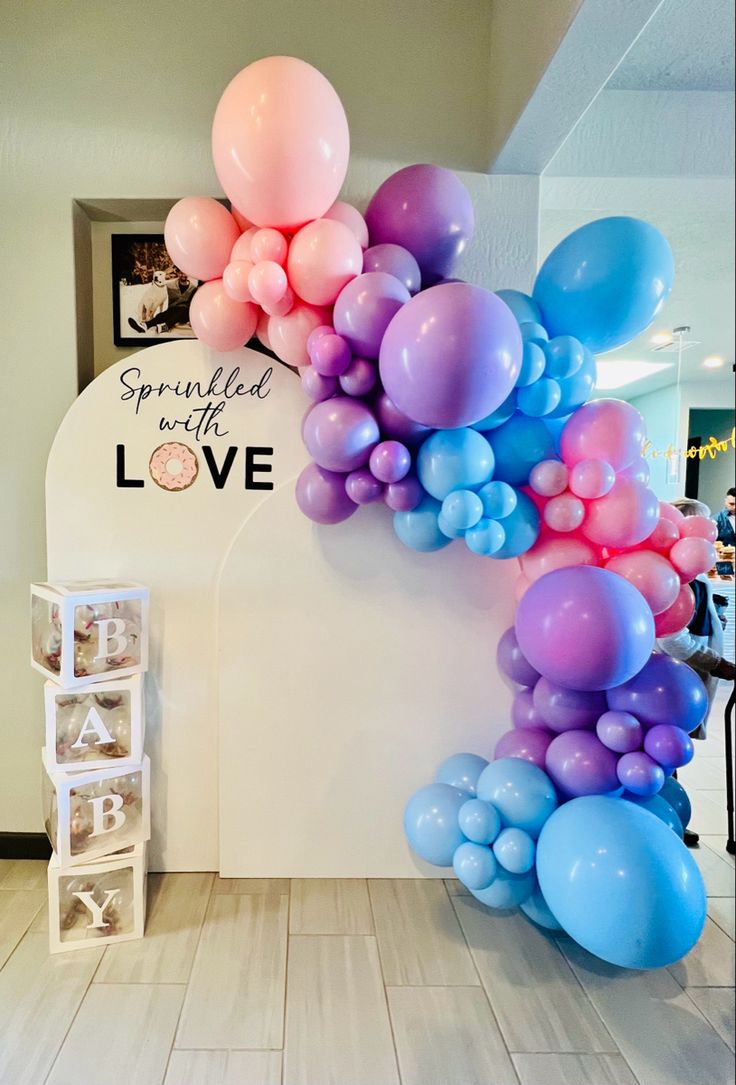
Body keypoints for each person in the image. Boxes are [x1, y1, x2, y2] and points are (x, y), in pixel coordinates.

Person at [657, 497, 736, 846]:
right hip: (673, 685)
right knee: (664, 751)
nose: (712, 534)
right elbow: (672, 639)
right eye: (703, 528)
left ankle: (668, 815)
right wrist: (718, 663)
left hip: (688, 684)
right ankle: (666, 816)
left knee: (670, 751)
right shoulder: (673, 578)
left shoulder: (692, 575)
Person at [128, 270, 197, 335]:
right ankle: (145, 325)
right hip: (172, 310)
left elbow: (194, 304)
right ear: (178, 274)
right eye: (181, 273)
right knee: (162, 315)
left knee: (181, 310)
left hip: (185, 313)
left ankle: (166, 326)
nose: (183, 275)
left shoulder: (193, 288)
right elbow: (159, 287)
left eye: (184, 273)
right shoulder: (170, 285)